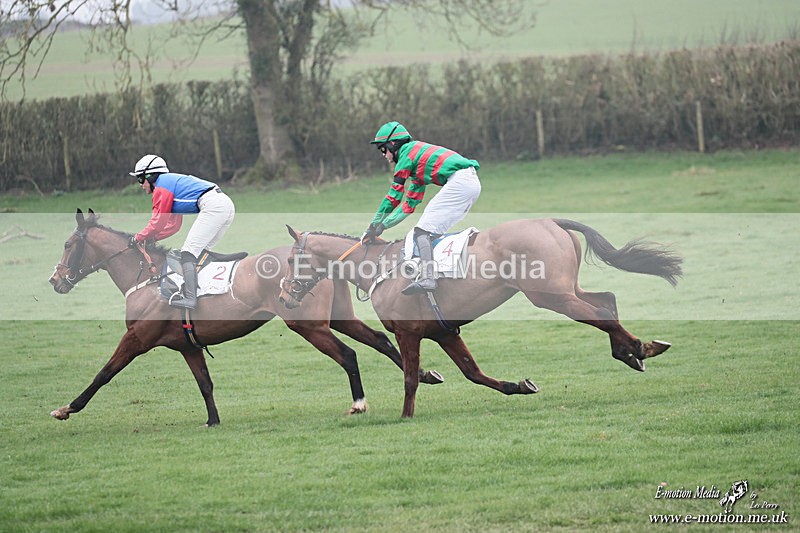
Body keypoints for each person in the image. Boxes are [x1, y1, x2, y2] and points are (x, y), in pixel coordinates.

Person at [362, 121, 481, 295]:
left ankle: (428, 277)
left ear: (393, 144)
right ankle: (442, 273)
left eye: (383, 149)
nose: (384, 155)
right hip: (470, 183)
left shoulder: (406, 155)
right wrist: (383, 226)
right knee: (429, 231)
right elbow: (408, 206)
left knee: (421, 231)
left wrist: (372, 225)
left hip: (460, 182)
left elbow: (393, 197)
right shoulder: (417, 164)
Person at [130, 154, 235, 309]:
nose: (140, 184)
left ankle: (190, 299)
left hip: (213, 206)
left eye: (140, 179)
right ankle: (206, 294)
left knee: (188, 253)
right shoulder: (169, 184)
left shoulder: (161, 187)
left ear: (151, 176)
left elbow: (157, 222)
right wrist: (152, 238)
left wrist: (138, 237)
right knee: (200, 254)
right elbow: (173, 225)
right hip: (224, 205)